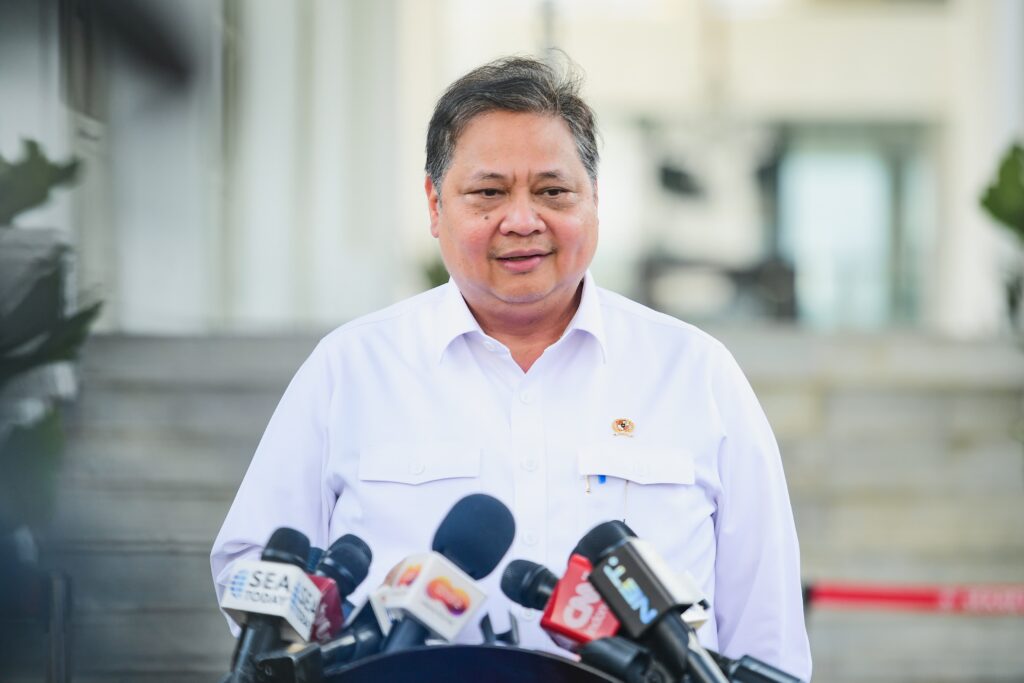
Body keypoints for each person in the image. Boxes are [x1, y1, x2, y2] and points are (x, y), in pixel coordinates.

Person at [211, 55, 812, 679]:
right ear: (435, 204)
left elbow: (765, 623)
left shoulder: (696, 373)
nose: (523, 221)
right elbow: (254, 570)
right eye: (489, 193)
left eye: (552, 191)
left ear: (595, 200)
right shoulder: (351, 368)